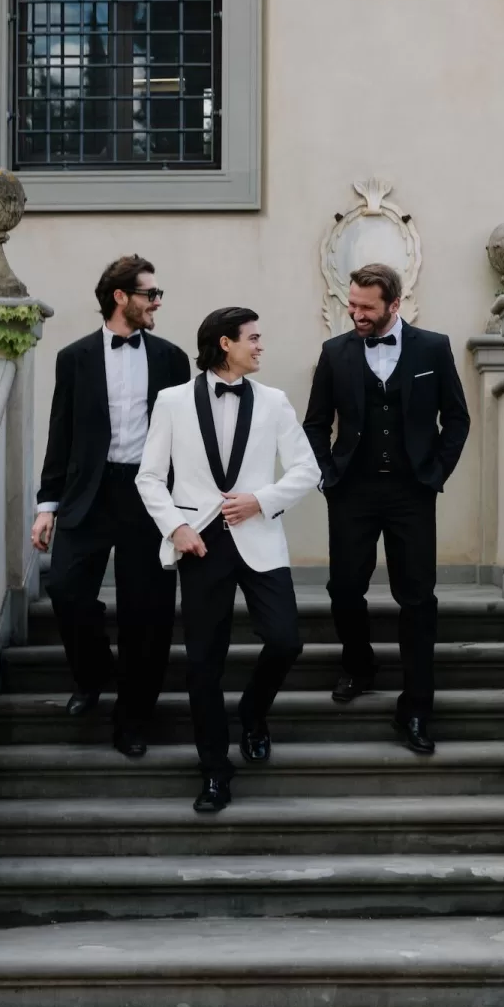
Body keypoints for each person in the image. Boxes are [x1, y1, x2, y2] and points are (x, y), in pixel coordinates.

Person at [136, 306, 320, 813]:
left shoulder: (274, 401)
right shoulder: (172, 401)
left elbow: (307, 469)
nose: (260, 346)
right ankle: (215, 771)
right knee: (202, 665)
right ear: (225, 343)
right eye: (252, 338)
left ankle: (254, 712)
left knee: (285, 640)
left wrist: (261, 499)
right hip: (199, 542)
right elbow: (149, 476)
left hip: (260, 538)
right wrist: (175, 527)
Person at [303, 263, 470, 755]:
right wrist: (328, 475)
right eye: (352, 304)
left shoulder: (432, 348)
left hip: (411, 493)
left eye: (366, 307)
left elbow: (456, 419)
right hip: (351, 491)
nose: (356, 313)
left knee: (417, 599)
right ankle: (358, 666)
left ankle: (416, 709)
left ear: (394, 305)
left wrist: (435, 474)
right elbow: (315, 424)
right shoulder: (334, 352)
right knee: (343, 588)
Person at [30, 255, 190, 759]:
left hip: (149, 495)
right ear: (121, 297)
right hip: (90, 494)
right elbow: (61, 433)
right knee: (66, 589)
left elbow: (185, 440)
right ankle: (95, 673)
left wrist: (184, 510)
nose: (157, 302)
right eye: (150, 294)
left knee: (148, 611)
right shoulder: (74, 358)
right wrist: (47, 505)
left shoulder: (172, 358)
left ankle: (133, 720)